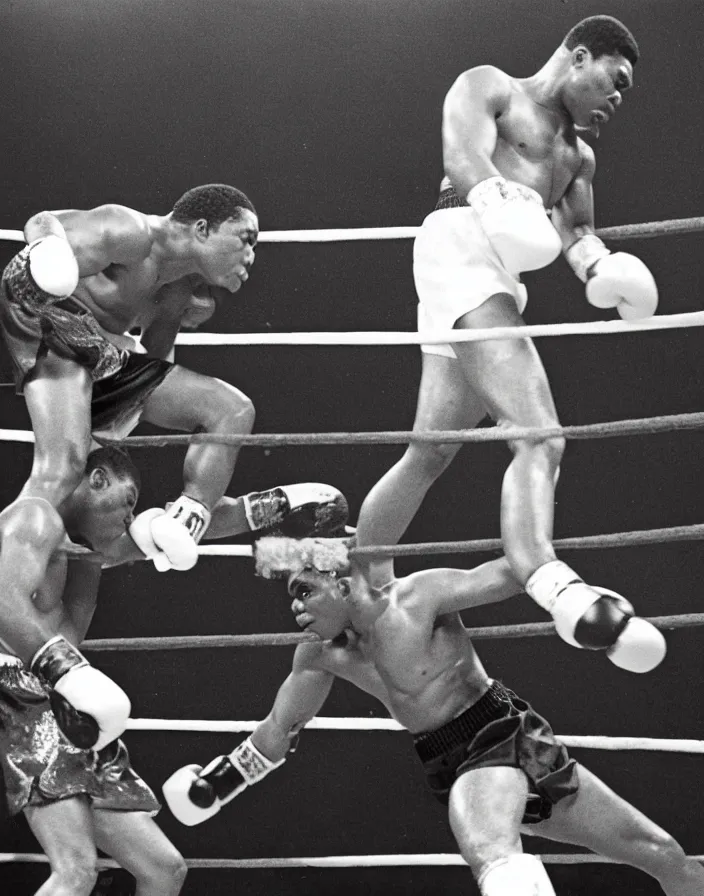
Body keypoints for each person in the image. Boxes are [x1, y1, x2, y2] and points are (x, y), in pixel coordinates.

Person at [354, 16, 663, 670]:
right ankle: (547, 577)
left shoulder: (579, 157)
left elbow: (578, 231)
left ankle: (363, 575)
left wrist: (602, 268)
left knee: (430, 451)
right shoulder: (491, 85)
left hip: (496, 275)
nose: (616, 99)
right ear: (580, 56)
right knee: (540, 434)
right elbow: (460, 157)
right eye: (615, 80)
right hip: (462, 242)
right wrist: (499, 199)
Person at [162, 537, 703, 896]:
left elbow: (514, 571)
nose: (296, 608)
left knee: (659, 854)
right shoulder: (318, 656)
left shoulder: (418, 598)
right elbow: (278, 732)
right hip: (455, 757)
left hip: (499, 730)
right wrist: (221, 781)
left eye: (304, 590)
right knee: (500, 851)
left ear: (342, 580)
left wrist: (580, 601)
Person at [0, 445, 349, 896]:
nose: (129, 520)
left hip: (69, 705)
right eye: (128, 505)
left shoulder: (84, 556)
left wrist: (271, 507)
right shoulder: (35, 517)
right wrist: (65, 669)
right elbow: (3, 603)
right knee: (76, 871)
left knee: (164, 870)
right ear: (97, 479)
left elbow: (189, 534)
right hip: (21, 688)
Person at [0, 183, 263, 746]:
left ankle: (184, 519)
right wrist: (47, 255)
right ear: (201, 229)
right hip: (47, 313)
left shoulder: (179, 293)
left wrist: (123, 413)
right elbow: (43, 216)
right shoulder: (131, 231)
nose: (251, 257)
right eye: (244, 240)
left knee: (230, 410)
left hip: (108, 355)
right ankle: (7, 593)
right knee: (65, 465)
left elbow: (154, 366)